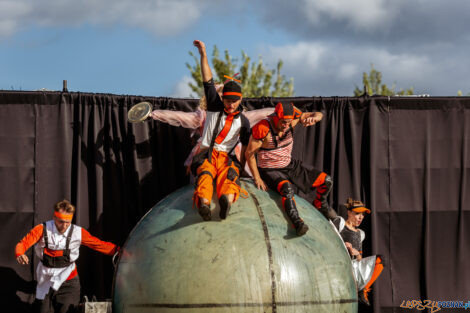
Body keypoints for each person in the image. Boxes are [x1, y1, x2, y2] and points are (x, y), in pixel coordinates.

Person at [245, 101, 337, 236]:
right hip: (270, 169)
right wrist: (257, 177)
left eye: (288, 122)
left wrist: (315, 118)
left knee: (326, 180)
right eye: (282, 122)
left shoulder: (293, 120)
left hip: (289, 164)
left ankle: (320, 203)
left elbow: (317, 114)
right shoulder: (263, 128)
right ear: (275, 116)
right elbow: (249, 153)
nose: (285, 125)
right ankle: (297, 223)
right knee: (287, 189)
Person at [15, 200, 119, 313]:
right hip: (46, 281)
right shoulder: (42, 229)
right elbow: (23, 243)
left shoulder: (78, 232)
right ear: (54, 217)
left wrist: (120, 251)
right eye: (61, 221)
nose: (64, 225)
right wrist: (20, 253)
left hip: (69, 281)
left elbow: (99, 245)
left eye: (68, 222)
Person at [190, 39, 251, 221]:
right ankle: (205, 205)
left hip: (226, 157)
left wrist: (242, 167)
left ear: (240, 100)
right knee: (205, 175)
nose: (230, 104)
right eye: (227, 100)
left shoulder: (244, 121)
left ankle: (227, 202)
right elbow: (208, 80)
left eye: (234, 101)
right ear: (222, 99)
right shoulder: (215, 106)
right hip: (207, 153)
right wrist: (203, 55)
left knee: (230, 176)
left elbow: (247, 148)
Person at [332, 198, 384, 306]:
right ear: (349, 212)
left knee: (381, 260)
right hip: (339, 266)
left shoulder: (360, 233)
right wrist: (343, 246)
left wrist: (357, 254)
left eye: (363, 214)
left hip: (354, 269)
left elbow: (360, 258)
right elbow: (329, 241)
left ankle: (363, 290)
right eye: (357, 214)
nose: (361, 217)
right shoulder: (340, 223)